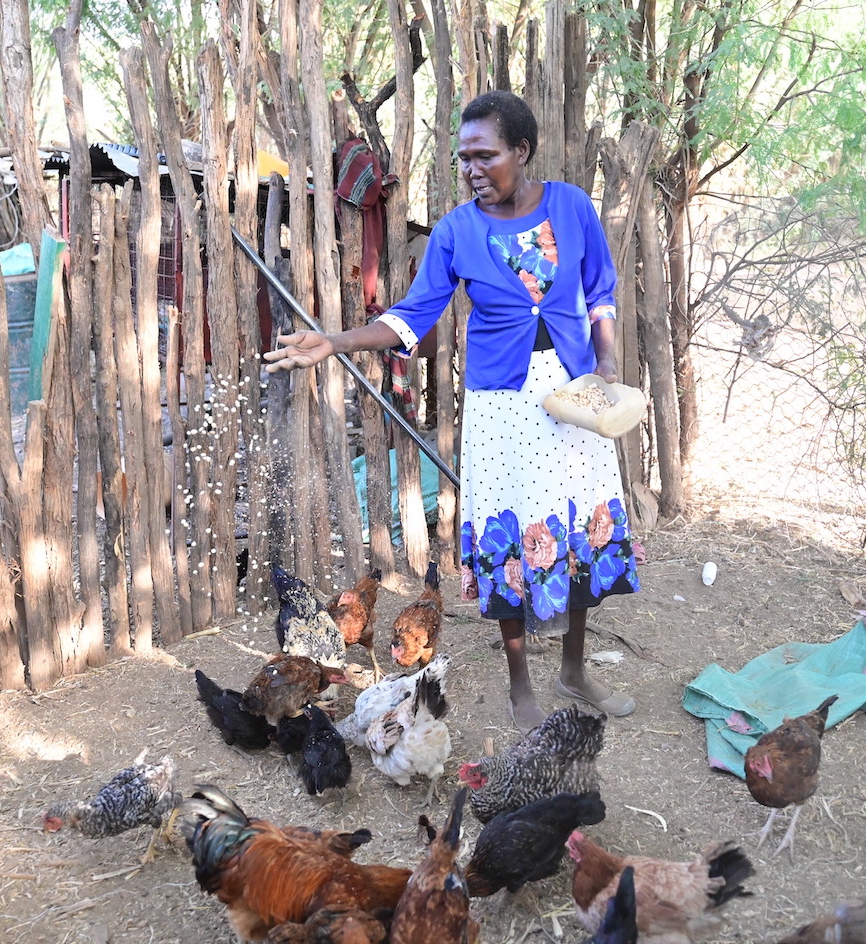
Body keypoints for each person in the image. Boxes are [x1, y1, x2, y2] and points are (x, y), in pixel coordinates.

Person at [265, 90, 639, 731]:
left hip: (577, 398)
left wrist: (604, 367)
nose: (470, 169)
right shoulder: (457, 232)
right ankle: (521, 682)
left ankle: (573, 667)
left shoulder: (572, 208)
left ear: (522, 152)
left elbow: (600, 293)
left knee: (582, 529)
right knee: (508, 537)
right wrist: (336, 341)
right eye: (463, 158)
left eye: (484, 155)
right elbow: (412, 317)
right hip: (503, 406)